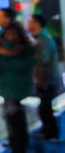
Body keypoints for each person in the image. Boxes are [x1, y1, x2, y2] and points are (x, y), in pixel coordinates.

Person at [0, 7, 38, 153]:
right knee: (14, 115)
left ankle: (19, 148)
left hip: (13, 82)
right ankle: (18, 146)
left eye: (0, 16)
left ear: (8, 19)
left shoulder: (14, 37)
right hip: (11, 81)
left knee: (14, 116)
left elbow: (16, 55)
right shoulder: (11, 34)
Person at [28, 14, 62, 142]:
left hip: (48, 80)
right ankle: (48, 131)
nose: (28, 24)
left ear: (37, 23)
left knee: (45, 109)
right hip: (44, 79)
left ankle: (51, 134)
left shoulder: (44, 39)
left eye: (30, 21)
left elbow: (43, 59)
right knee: (44, 108)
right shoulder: (39, 38)